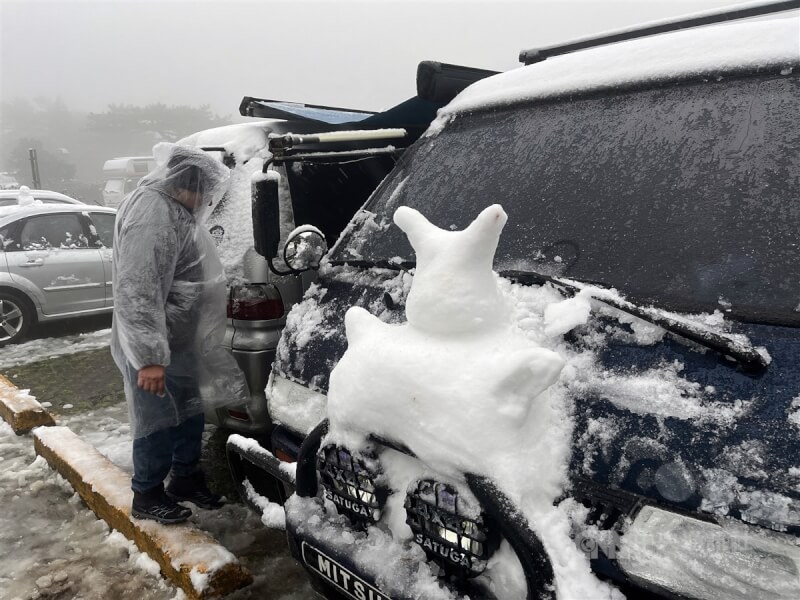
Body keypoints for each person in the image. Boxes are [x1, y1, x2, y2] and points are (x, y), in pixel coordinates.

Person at [111, 144, 248, 524]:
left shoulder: (175, 210)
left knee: (187, 411)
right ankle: (147, 493)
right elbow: (138, 289)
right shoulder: (153, 213)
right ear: (185, 183)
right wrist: (150, 358)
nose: (205, 200)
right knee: (156, 419)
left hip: (180, 340)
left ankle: (185, 479)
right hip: (157, 346)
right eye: (202, 190)